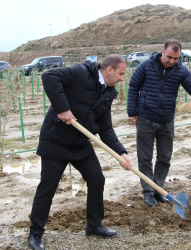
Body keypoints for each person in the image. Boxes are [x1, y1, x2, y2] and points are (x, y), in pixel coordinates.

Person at [28, 55, 132, 250]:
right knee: (48, 187)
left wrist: (122, 153)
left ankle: (94, 225)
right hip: (56, 141)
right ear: (109, 69)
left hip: (80, 144)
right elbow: (49, 76)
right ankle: (35, 234)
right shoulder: (80, 73)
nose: (121, 79)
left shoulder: (108, 93)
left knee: (97, 179)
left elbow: (105, 128)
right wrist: (63, 108)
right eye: (120, 74)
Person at [127, 39, 191, 207]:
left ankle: (159, 190)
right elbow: (133, 86)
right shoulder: (146, 66)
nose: (172, 61)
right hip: (145, 119)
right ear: (162, 52)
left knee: (165, 158)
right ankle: (148, 192)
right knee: (145, 158)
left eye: (176, 58)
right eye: (169, 57)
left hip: (166, 121)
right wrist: (132, 111)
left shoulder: (180, 70)